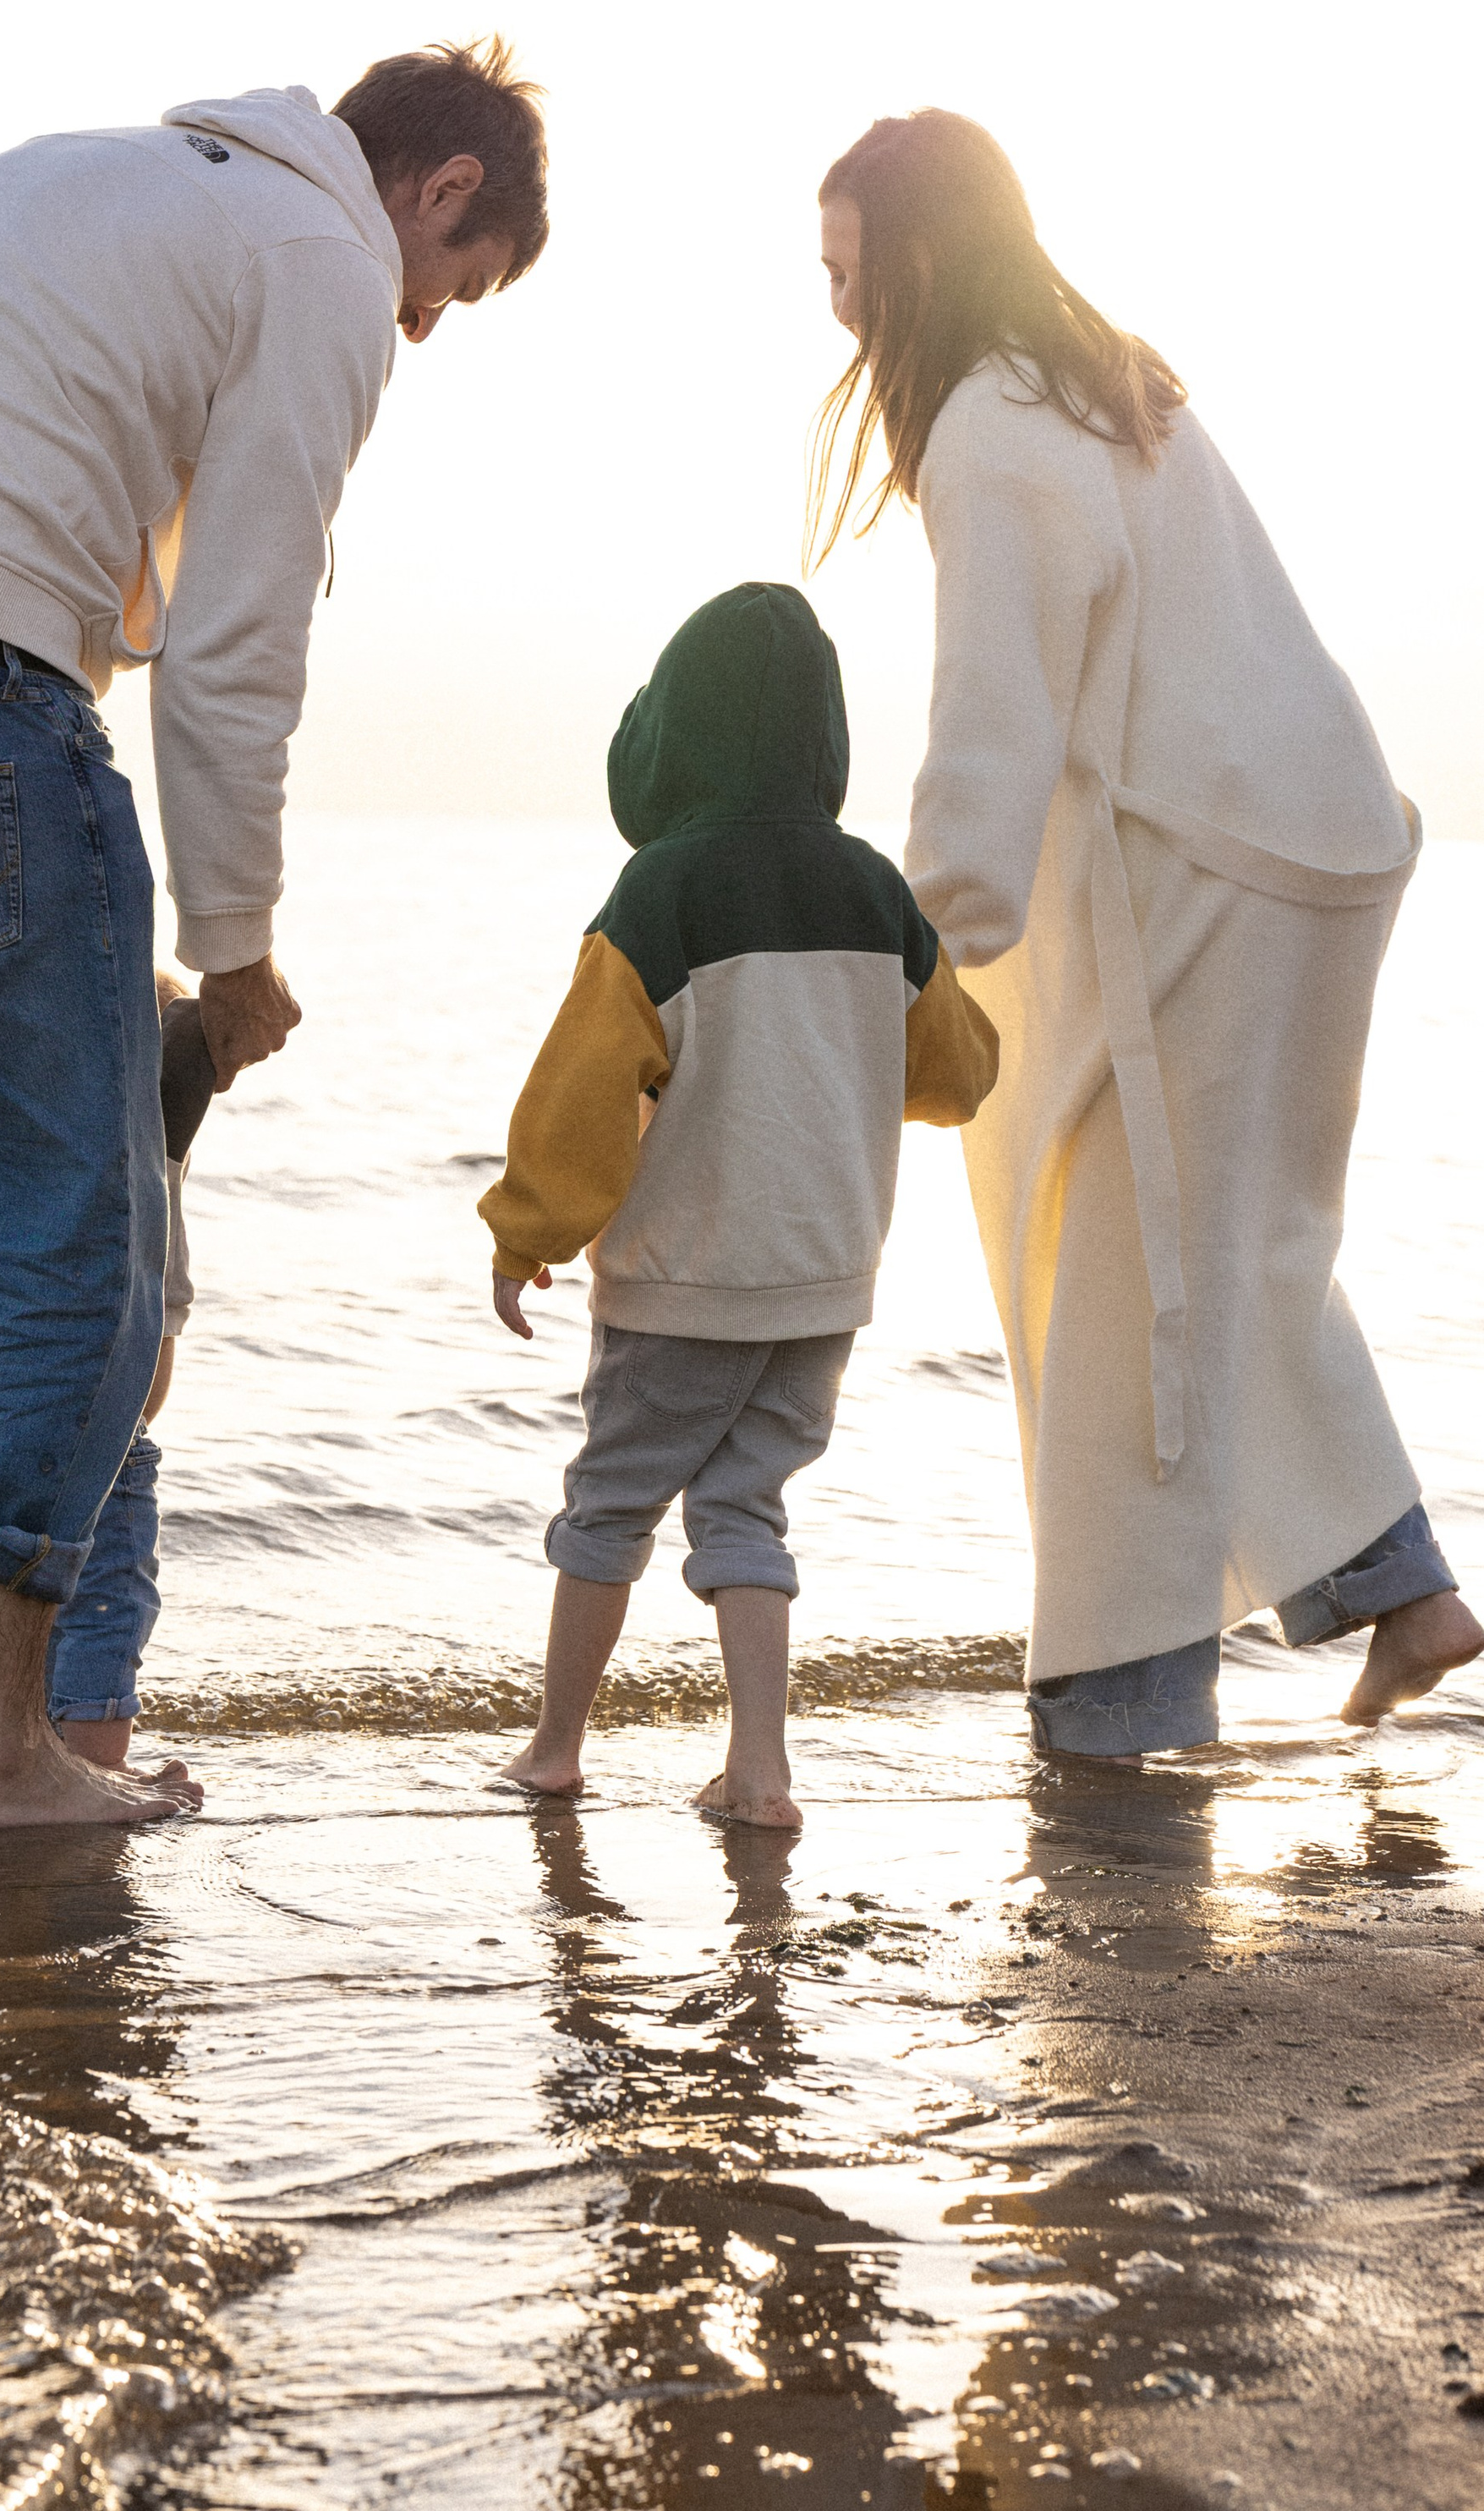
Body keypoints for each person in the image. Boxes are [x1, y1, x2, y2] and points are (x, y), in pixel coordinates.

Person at [0, 41, 550, 1827]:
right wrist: (234, 948)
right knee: (91, 1236)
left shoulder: (94, 174)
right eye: (458, 288)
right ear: (438, 193)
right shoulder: (319, 265)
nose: (427, 330)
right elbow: (234, 640)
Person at [813, 108, 1481, 1757]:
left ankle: (1119, 1707)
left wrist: (912, 944)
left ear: (911, 263)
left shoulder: (989, 422)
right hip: (1306, 841)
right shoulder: (1105, 379)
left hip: (1206, 863)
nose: (833, 314)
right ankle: (1398, 1593)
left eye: (842, 277)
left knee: (1118, 1269)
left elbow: (992, 711)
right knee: (1228, 1245)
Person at [479, 585, 997, 1828]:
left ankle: (555, 1748)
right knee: (745, 1508)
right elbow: (960, 1070)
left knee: (610, 1505)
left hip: (684, 1276)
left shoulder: (662, 892)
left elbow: (586, 1087)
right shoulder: (878, 894)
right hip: (821, 1283)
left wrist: (526, 1231)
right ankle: (760, 1769)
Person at [0, 979, 213, 1770]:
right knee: (109, 1596)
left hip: (14, 1410)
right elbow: (190, 1041)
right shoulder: (117, 1142)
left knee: (28, 1594)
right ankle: (94, 1769)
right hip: (102, 1422)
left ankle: (34, 1751)